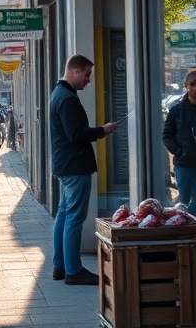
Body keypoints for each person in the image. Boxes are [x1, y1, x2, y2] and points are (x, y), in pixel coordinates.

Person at [50, 54, 119, 286]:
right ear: (75, 71)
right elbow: (75, 134)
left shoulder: (59, 94)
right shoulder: (67, 98)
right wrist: (103, 130)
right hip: (75, 165)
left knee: (64, 214)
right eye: (87, 74)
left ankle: (60, 265)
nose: (88, 80)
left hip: (66, 164)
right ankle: (73, 270)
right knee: (74, 217)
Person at [162, 69, 196, 217]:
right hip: (184, 163)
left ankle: (188, 222)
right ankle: (179, 221)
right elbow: (166, 135)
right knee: (184, 199)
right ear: (186, 86)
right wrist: (180, 152)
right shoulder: (177, 110)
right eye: (193, 84)